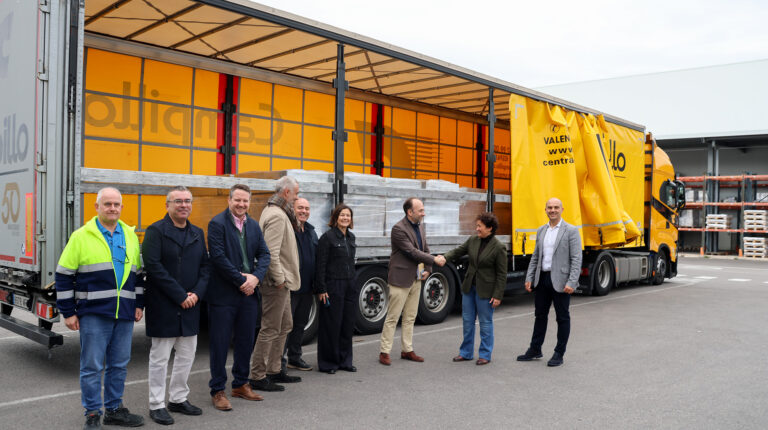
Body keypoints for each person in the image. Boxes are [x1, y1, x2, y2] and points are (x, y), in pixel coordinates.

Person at [55, 187, 145, 430]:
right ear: (97, 207)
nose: (112, 208)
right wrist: (68, 311)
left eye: (116, 204)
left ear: (122, 207)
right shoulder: (81, 236)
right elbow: (63, 276)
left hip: (124, 313)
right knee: (92, 366)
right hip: (94, 313)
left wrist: (139, 304)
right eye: (107, 204)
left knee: (119, 365)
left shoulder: (129, 235)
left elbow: (138, 275)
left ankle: (114, 409)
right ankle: (93, 413)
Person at [142, 186, 209, 425]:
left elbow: (205, 267)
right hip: (164, 304)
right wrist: (180, 295)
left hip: (191, 304)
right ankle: (157, 403)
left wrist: (197, 294)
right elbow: (153, 267)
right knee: (160, 356)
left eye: (187, 201)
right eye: (178, 201)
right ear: (167, 205)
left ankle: (178, 398)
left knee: (187, 354)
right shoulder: (155, 231)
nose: (183, 205)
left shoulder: (197, 233)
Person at [207, 184, 271, 411]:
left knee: (245, 341)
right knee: (220, 343)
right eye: (238, 200)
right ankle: (217, 390)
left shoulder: (253, 226)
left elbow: (264, 254)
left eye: (245, 201)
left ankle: (241, 384)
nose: (242, 204)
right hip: (224, 294)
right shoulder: (217, 224)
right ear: (229, 200)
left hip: (248, 294)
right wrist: (242, 280)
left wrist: (255, 277)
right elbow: (218, 257)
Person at [378, 198, 446, 365]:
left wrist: (429, 268)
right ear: (410, 212)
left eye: (423, 210)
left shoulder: (420, 227)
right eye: (420, 210)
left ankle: (407, 350)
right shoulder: (398, 229)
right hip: (400, 279)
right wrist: (435, 259)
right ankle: (384, 352)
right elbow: (412, 252)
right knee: (393, 317)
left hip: (416, 278)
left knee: (410, 317)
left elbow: (425, 248)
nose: (424, 213)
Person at [250, 176, 302, 392]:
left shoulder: (274, 211)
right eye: (296, 194)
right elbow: (270, 253)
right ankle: (258, 375)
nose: (297, 198)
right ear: (286, 193)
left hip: (283, 282)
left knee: (285, 325)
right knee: (271, 327)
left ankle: (274, 369)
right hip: (276, 283)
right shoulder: (278, 216)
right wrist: (280, 279)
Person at [516, 197, 582, 367]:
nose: (553, 210)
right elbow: (536, 257)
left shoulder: (571, 231)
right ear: (545, 210)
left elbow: (576, 258)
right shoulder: (541, 230)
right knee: (540, 316)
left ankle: (559, 353)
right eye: (549, 207)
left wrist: (572, 282)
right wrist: (529, 277)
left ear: (562, 209)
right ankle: (535, 349)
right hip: (542, 279)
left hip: (561, 281)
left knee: (562, 318)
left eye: (556, 207)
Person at [442, 212, 507, 365]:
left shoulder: (499, 247)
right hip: (469, 287)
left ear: (489, 228)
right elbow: (458, 251)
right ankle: (466, 352)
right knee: (467, 321)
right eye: (476, 226)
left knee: (485, 323)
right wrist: (444, 257)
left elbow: (502, 274)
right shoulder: (473, 240)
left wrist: (497, 295)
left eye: (480, 226)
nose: (477, 229)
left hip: (486, 290)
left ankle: (485, 354)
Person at [314, 204, 358, 374]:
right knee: (331, 325)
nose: (345, 218)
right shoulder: (328, 238)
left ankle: (345, 361)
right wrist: (321, 288)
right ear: (335, 218)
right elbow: (321, 265)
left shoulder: (351, 237)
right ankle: (328, 363)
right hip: (333, 285)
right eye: (342, 215)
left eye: (348, 216)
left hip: (350, 285)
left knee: (347, 325)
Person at [281, 197, 318, 372]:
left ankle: (295, 358)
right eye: (300, 208)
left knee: (300, 324)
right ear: (292, 209)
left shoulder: (311, 231)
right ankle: (279, 361)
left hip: (307, 287)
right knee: (285, 326)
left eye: (307, 208)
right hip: (291, 287)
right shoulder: (287, 229)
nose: (304, 211)